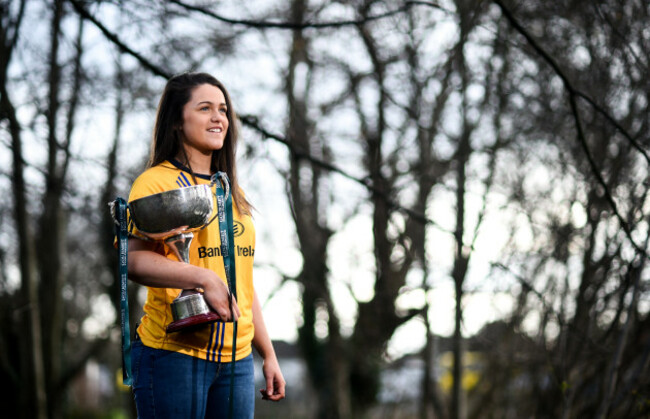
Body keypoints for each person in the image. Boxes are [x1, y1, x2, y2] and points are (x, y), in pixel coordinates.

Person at [126, 72, 285, 418]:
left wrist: (267, 353)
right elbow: (134, 262)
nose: (218, 118)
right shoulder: (155, 183)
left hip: (237, 359)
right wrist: (206, 280)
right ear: (177, 123)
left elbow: (242, 282)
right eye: (205, 108)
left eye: (223, 110)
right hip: (174, 355)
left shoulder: (232, 192)